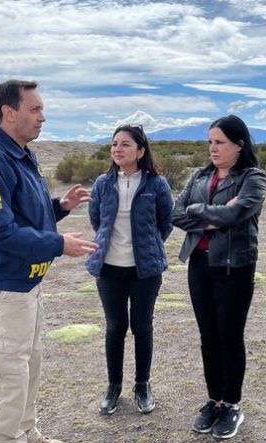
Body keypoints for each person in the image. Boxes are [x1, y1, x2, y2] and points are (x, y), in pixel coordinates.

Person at [0, 79, 98, 443]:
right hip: (5, 291)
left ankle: (27, 434)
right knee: (7, 376)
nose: (43, 117)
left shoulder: (22, 154)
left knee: (28, 368)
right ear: (9, 113)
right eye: (34, 109)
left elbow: (26, 216)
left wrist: (60, 208)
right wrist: (58, 245)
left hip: (28, 288)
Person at [171, 115, 266, 441]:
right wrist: (211, 215)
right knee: (208, 335)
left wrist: (199, 212)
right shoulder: (199, 175)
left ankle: (232, 405)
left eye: (219, 142)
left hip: (234, 267)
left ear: (238, 145)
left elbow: (237, 213)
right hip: (200, 263)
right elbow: (176, 213)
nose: (212, 148)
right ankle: (213, 400)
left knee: (229, 335)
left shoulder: (252, 177)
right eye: (210, 141)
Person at [86, 124, 173, 416]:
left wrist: (148, 248)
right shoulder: (102, 183)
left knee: (142, 327)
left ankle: (142, 385)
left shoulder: (156, 184)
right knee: (115, 327)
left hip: (144, 271)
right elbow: (97, 221)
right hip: (109, 269)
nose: (117, 149)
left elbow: (165, 223)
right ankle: (113, 387)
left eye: (124, 144)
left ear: (140, 150)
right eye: (114, 144)